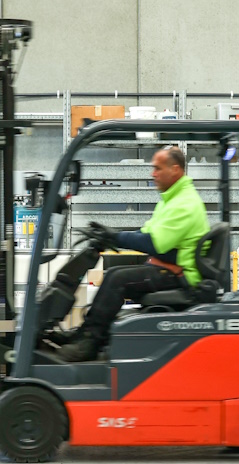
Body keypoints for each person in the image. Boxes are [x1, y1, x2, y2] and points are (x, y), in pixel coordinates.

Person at [56, 145, 209, 362]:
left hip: (182, 277)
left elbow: (155, 244)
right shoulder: (172, 199)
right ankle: (86, 333)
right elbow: (146, 232)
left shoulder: (184, 203)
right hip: (169, 268)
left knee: (117, 279)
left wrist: (115, 237)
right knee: (116, 273)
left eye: (157, 168)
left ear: (175, 170)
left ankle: (90, 341)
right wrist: (113, 236)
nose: (152, 173)